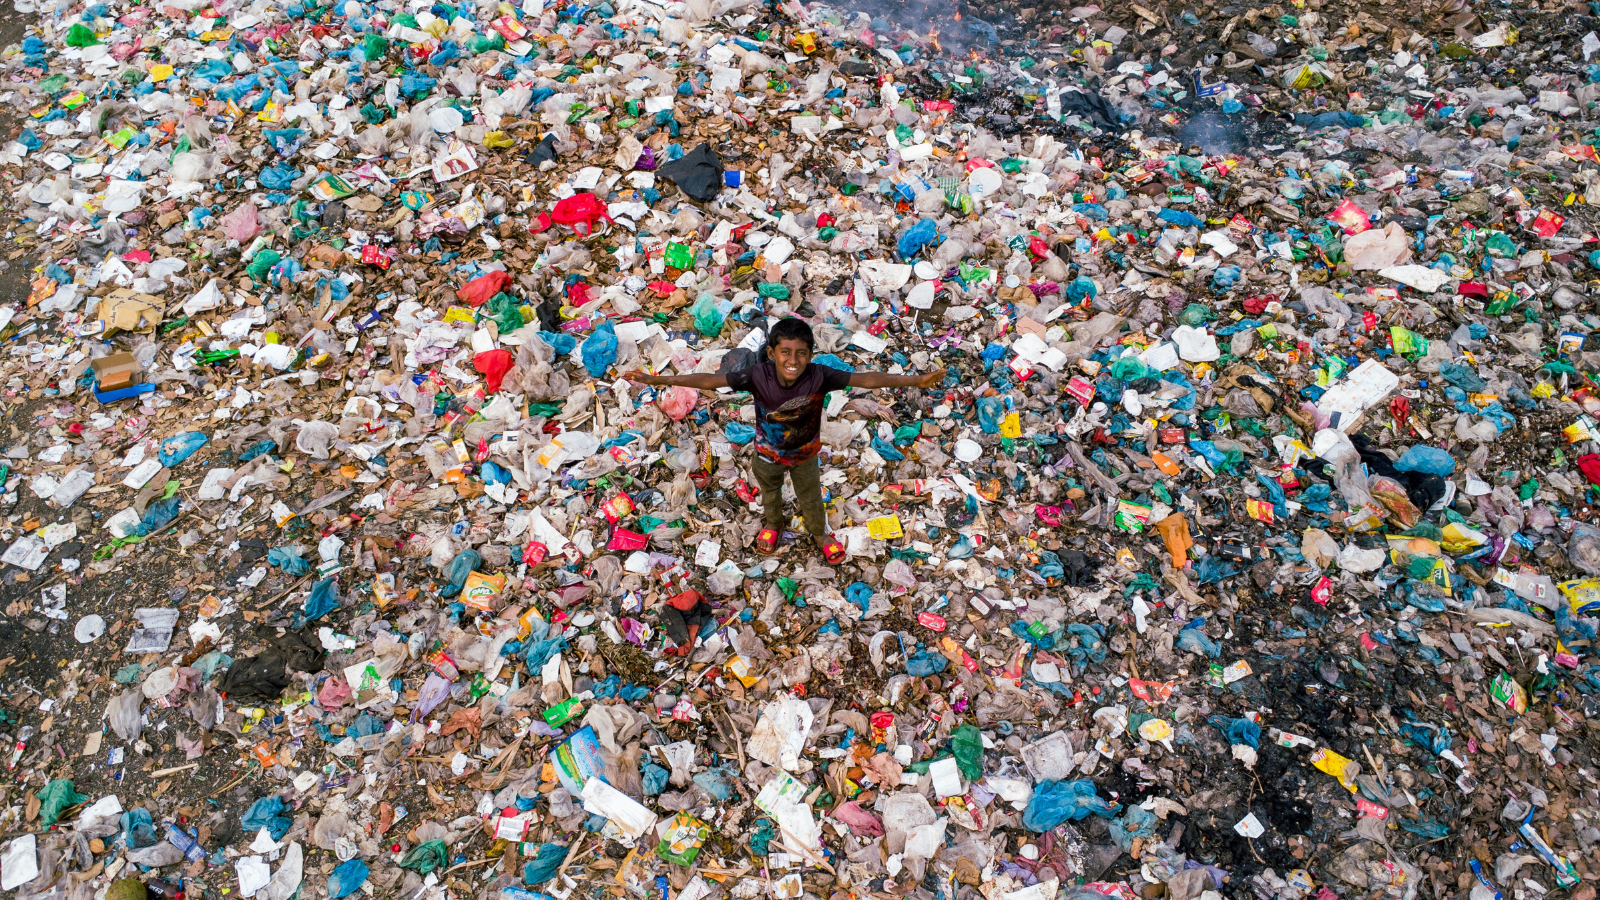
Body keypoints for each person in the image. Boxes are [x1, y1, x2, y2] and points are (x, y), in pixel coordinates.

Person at [624, 317, 946, 564]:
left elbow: (867, 378)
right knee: (770, 493)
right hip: (766, 456)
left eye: (801, 353)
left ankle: (819, 533)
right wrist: (659, 379)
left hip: (805, 456)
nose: (793, 360)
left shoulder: (821, 375)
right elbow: (710, 379)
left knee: (811, 497)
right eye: (785, 352)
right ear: (771, 353)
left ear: (810, 355)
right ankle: (774, 524)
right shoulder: (756, 375)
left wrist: (916, 379)